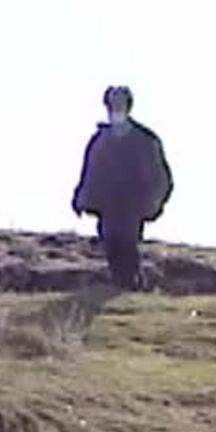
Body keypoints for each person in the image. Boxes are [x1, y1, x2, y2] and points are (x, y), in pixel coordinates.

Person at [72, 85, 173, 290]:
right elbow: (90, 172)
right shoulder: (100, 141)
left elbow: (160, 175)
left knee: (127, 243)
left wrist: (154, 201)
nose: (115, 109)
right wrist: (81, 197)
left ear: (128, 107)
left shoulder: (144, 141)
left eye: (119, 104)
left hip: (132, 205)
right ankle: (122, 285)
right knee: (111, 243)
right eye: (112, 105)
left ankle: (133, 285)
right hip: (108, 205)